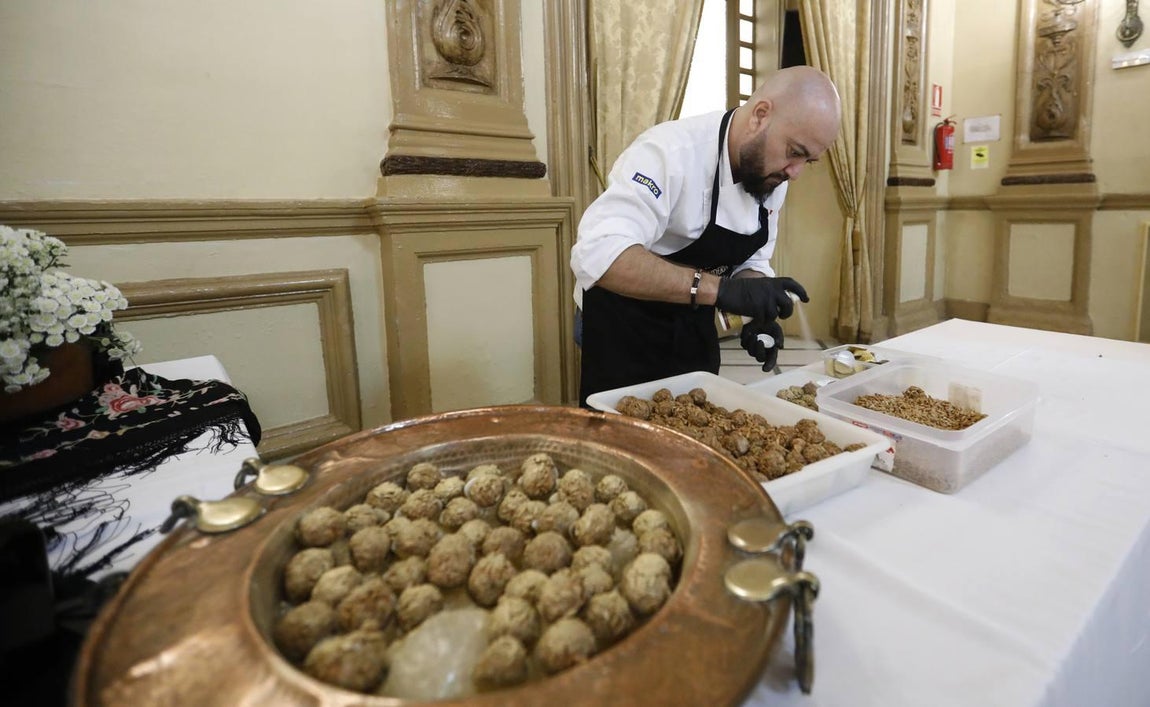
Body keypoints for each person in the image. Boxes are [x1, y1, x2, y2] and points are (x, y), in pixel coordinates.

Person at [570, 66, 842, 406]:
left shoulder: (771, 175)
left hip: (692, 325)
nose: (796, 172)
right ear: (760, 115)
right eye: (795, 151)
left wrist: (756, 310)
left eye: (809, 161)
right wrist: (721, 290)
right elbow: (599, 254)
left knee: (694, 437)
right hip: (622, 328)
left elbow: (752, 259)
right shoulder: (669, 153)